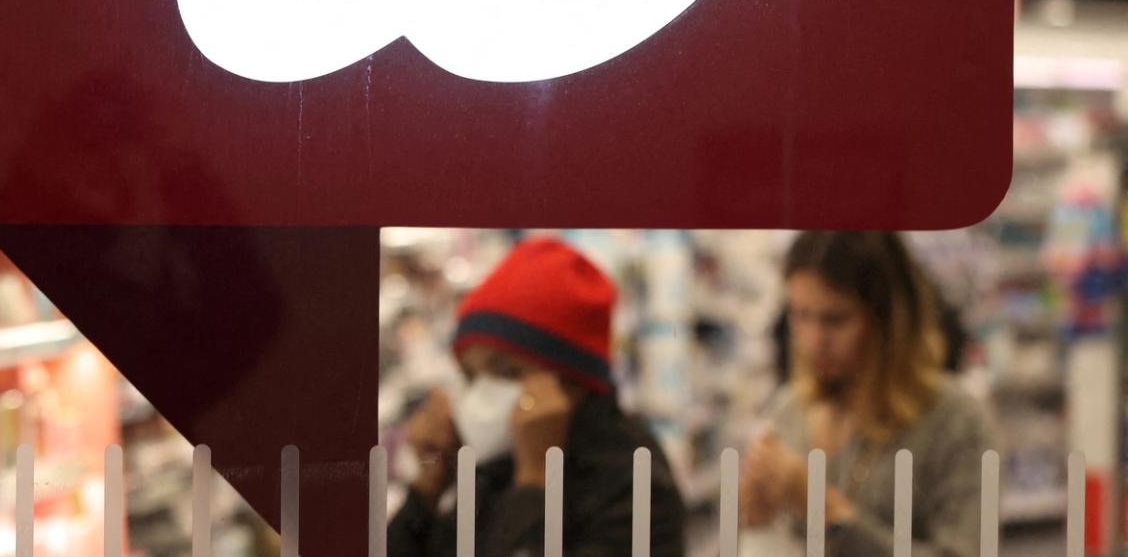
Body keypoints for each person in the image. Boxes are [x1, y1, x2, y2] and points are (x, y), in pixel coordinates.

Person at [389, 238, 686, 557]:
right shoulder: (495, 465)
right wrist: (425, 493)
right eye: (472, 375)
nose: (483, 393)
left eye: (507, 371)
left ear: (572, 382)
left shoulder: (636, 484)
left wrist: (535, 478)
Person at [742, 233, 995, 557]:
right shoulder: (790, 410)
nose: (813, 340)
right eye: (799, 315)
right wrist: (752, 516)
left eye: (835, 320)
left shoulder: (956, 422)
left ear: (888, 319)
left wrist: (826, 511)